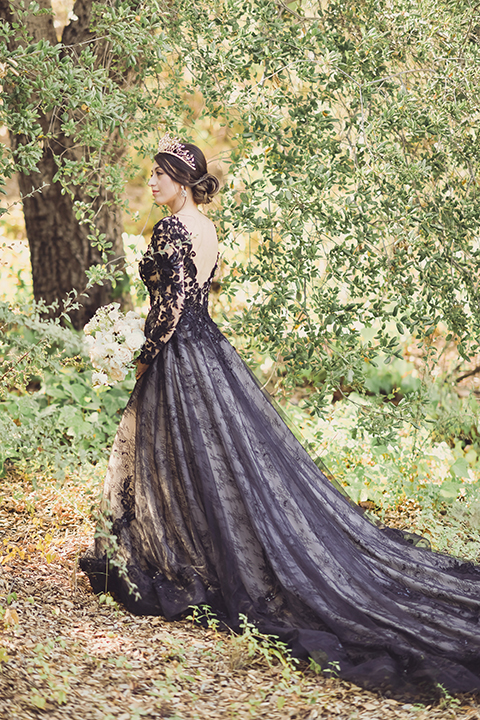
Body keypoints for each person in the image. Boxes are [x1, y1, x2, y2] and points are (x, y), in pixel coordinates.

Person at [80, 134, 480, 698]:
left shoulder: (171, 228)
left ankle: (197, 557)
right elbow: (201, 294)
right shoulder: (208, 229)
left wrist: (143, 357)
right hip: (210, 351)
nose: (151, 182)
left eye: (159, 174)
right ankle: (217, 547)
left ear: (181, 179)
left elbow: (168, 310)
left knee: (186, 458)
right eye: (151, 174)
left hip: (179, 356)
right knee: (225, 460)